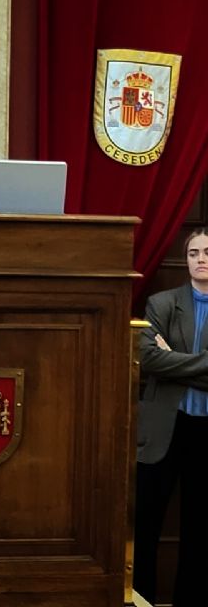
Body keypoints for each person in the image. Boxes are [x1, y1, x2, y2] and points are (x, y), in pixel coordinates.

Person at [134, 227, 208, 606]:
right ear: (187, 259)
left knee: (198, 531)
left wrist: (173, 362)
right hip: (165, 428)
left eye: (207, 252)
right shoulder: (161, 303)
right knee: (145, 526)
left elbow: (164, 361)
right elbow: (148, 358)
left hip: (205, 430)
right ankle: (142, 602)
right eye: (194, 252)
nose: (201, 259)